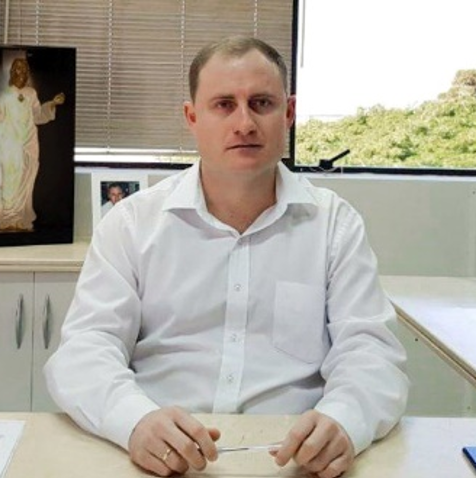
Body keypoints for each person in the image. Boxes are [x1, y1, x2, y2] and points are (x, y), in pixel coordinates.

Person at [44, 36, 408, 478]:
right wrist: (135, 421)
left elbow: (370, 352)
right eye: (223, 105)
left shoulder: (334, 225)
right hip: (160, 458)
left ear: (289, 113)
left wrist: (345, 420)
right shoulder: (132, 224)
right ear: (192, 117)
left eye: (261, 103)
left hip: (294, 462)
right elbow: (85, 351)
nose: (245, 123)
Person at [0, 57, 65, 231]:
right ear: (13, 71)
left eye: (25, 69)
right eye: (19, 68)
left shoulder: (31, 93)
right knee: (10, 180)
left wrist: (52, 103)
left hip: (29, 143)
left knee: (25, 180)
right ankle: (8, 218)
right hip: (10, 144)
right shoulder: (5, 94)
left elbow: (38, 116)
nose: (22, 72)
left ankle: (19, 219)